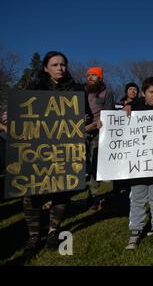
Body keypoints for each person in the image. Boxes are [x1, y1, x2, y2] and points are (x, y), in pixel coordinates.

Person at [10, 51, 88, 256]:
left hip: (65, 149)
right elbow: (20, 114)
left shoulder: (77, 90)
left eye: (63, 64)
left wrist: (89, 121)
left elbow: (85, 118)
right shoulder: (34, 89)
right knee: (31, 193)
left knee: (63, 189)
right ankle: (34, 235)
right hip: (36, 151)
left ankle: (54, 231)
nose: (60, 68)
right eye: (55, 65)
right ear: (45, 68)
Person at [123, 77, 153, 249]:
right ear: (143, 93)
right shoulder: (132, 111)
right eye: (151, 92)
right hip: (137, 168)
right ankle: (135, 232)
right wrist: (129, 106)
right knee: (137, 199)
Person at [84, 67, 115, 210]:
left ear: (100, 78)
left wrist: (94, 125)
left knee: (95, 166)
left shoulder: (107, 93)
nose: (90, 77)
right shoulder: (82, 93)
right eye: (88, 75)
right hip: (81, 133)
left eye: (94, 75)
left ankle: (94, 196)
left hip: (98, 134)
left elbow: (108, 115)